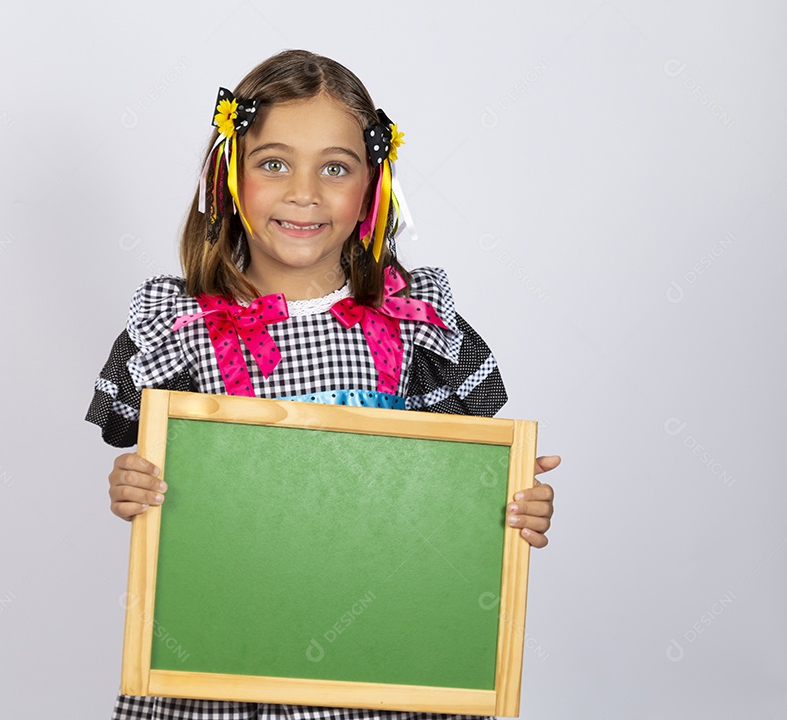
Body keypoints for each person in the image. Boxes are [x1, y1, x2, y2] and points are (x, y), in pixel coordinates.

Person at [86, 49, 558, 720]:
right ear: (228, 175)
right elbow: (156, 469)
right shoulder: (178, 328)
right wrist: (134, 487)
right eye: (273, 163)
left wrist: (509, 503)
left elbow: (460, 484)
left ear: (372, 185)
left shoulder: (412, 324)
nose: (303, 192)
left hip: (376, 674)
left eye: (334, 168)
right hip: (221, 664)